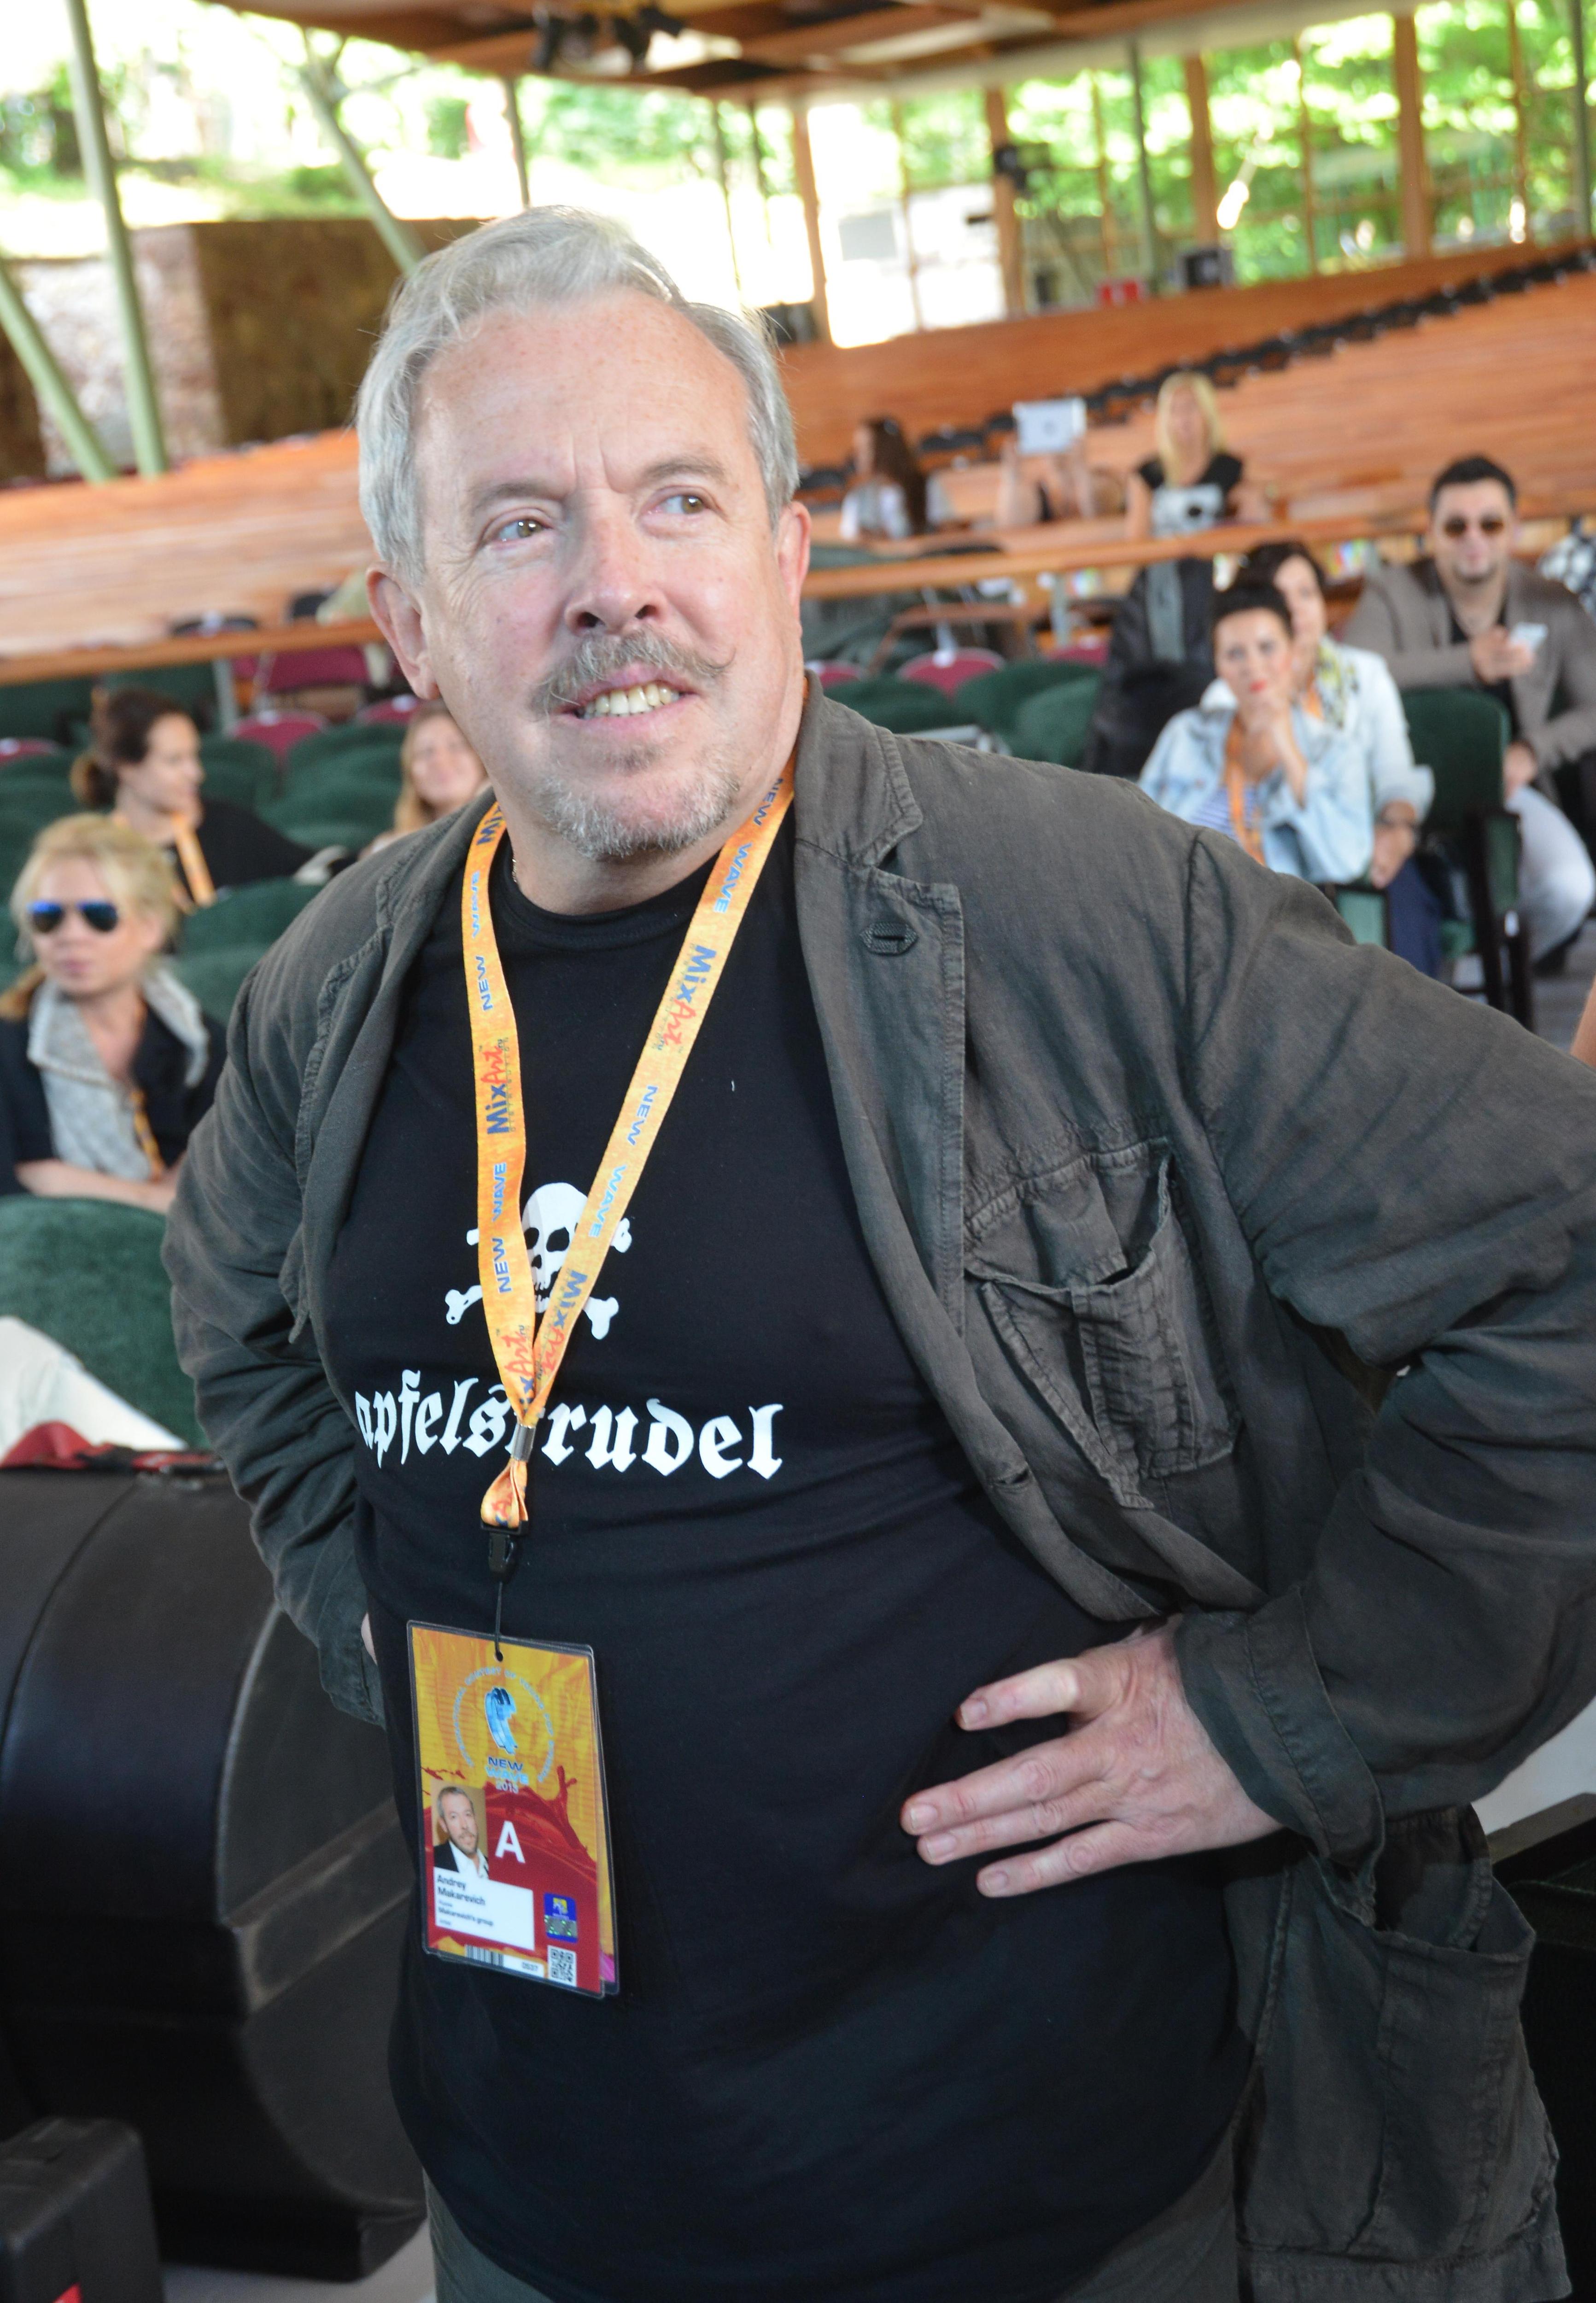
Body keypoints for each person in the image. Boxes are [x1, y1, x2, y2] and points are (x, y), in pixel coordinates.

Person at [166, 208, 1596, 2303]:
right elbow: (240, 1332)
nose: (616, 580)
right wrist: (380, 1620)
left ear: (784, 551)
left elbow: (1562, 1265)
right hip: (528, 2191)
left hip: (1057, 2207)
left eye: (677, 498)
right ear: (410, 622)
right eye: (522, 524)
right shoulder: (335, 985)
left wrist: (1282, 1713)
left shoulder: (1088, 915)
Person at [1342, 455, 1596, 968]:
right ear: (1431, 533)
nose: (1473, 538)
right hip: (1399, 789)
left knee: (1568, 887)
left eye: (1490, 524)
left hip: (1506, 788)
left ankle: (1487, 971)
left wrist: (1532, 751)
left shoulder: (1550, 601)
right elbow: (1354, 672)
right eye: (1456, 526)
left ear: (1514, 529)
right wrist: (1467, 662)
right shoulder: (1392, 591)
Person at [1233, 539, 1445, 973]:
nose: (1297, 609)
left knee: (1404, 910)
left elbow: (1395, 775)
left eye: (1306, 593)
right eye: (1280, 596)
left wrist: (1397, 830)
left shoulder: (1365, 675)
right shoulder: (1230, 691)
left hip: (1366, 844)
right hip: (1274, 859)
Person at [0, 814, 223, 1210]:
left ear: (152, 927)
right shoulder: (7, 1044)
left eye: (100, 916)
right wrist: (163, 1198)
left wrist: (63, 1182)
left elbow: (227, 1197)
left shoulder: (202, 1043)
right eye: (48, 916)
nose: (70, 936)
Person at [1139, 582, 1374, 883]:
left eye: (1267, 648)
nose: (1252, 666)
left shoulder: (1336, 751)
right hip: (1178, 895)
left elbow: (1347, 861)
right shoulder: (1186, 733)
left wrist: (1290, 754)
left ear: (1293, 650)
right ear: (1217, 665)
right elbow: (1138, 832)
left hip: (1272, 907)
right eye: (1234, 654)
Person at [72, 685, 312, 908]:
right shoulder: (94, 856)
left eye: (194, 756)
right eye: (174, 760)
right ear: (127, 769)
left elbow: (313, 870)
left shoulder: (229, 827)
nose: (197, 774)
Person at [1123, 372, 1268, 541]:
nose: (1183, 418)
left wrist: (1252, 501)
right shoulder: (1147, 474)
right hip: (1164, 557)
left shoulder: (1231, 468)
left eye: (1190, 407)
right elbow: (1136, 540)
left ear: (1208, 413)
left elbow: (1256, 522)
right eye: (1174, 410)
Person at [364, 700, 489, 856]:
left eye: (456, 746)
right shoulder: (391, 850)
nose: (440, 760)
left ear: (480, 758)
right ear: (411, 772)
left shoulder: (511, 832)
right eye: (426, 752)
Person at [993, 429, 1125, 527]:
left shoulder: (1103, 479)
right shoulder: (1037, 490)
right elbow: (1011, 525)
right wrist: (1013, 473)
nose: (1056, 448)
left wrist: (1080, 468)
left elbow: (1096, 514)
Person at [838, 415, 932, 542]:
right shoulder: (858, 497)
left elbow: (942, 533)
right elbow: (852, 540)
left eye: (864, 448)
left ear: (885, 449)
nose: (856, 456)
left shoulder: (926, 487)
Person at [433, 1787, 489, 1879]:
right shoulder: (432, 1861)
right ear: (444, 1825)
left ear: (475, 1818)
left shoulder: (498, 1867)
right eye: (454, 1817)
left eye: (468, 1815)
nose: (465, 1825)